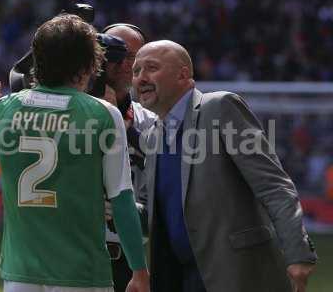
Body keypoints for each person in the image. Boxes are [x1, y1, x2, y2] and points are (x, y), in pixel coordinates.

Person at [0, 14, 150, 292]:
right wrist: (139, 270)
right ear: (90, 63)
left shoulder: (2, 108)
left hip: (20, 273)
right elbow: (122, 200)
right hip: (81, 271)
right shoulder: (102, 114)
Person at [132, 40, 317, 292]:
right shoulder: (153, 136)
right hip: (180, 278)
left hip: (237, 274)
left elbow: (274, 186)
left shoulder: (219, 107)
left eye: (151, 68)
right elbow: (148, 211)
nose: (140, 78)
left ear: (183, 74)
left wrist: (298, 253)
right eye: (136, 71)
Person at [101, 23, 156, 292]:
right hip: (73, 253)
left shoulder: (151, 120)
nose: (125, 63)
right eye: (115, 53)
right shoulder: (70, 113)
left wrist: (120, 125)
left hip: (130, 257)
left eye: (133, 57)